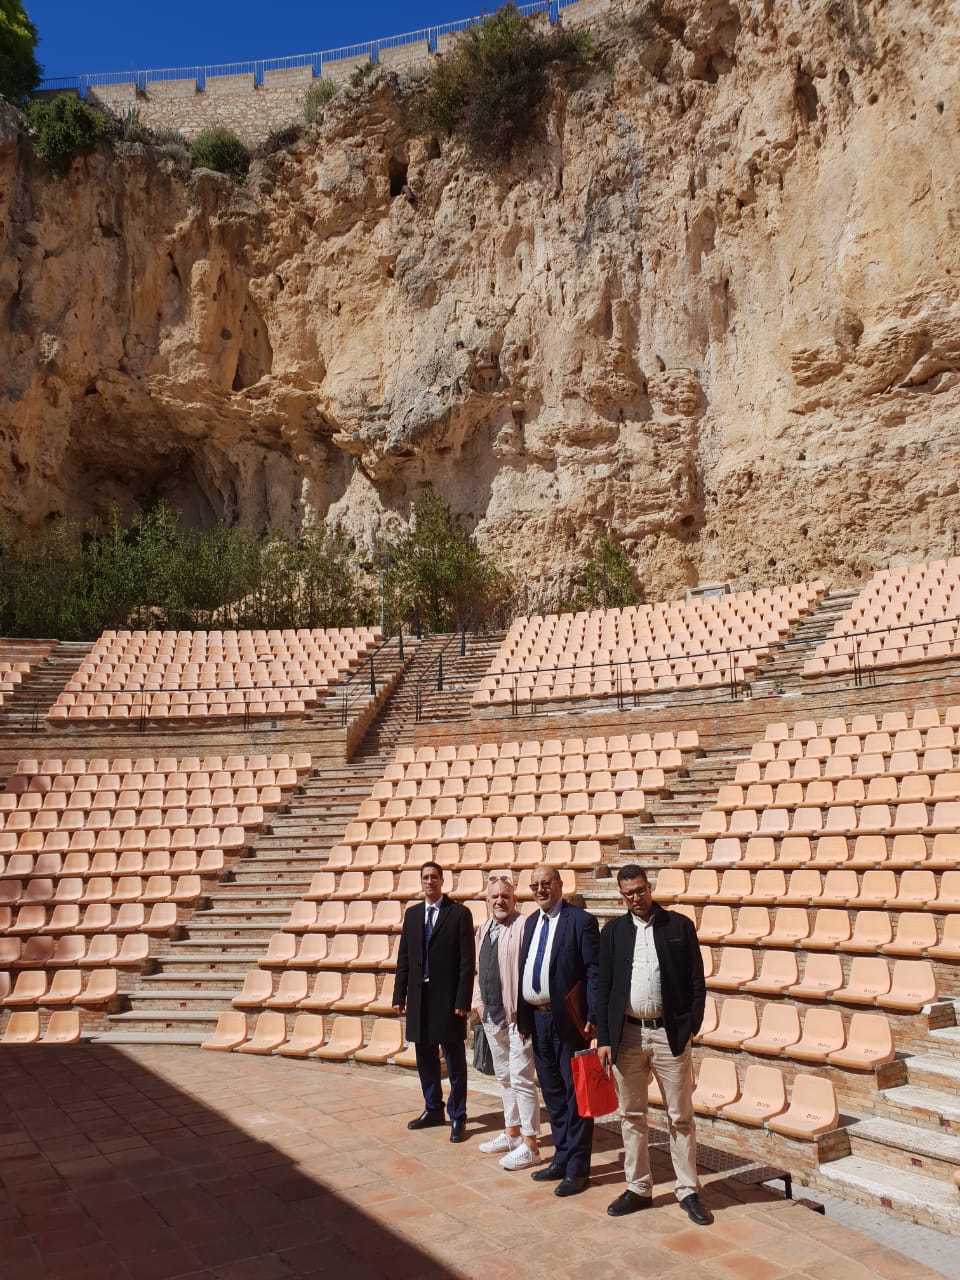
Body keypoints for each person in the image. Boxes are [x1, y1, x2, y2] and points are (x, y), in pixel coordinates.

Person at [596, 864, 712, 1225]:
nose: (636, 898)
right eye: (629, 893)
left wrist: (691, 1025)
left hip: (669, 1034)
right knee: (631, 1115)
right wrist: (604, 1037)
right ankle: (639, 1187)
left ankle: (688, 1189)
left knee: (680, 1116)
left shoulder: (678, 926)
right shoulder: (612, 932)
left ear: (650, 887)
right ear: (621, 896)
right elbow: (604, 988)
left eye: (641, 890)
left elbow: (696, 981)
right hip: (627, 1034)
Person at [516, 864, 599, 1197]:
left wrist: (592, 1014)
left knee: (575, 1095)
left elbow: (593, 971)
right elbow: (525, 969)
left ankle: (578, 1168)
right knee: (552, 1093)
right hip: (538, 1020)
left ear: (560, 885)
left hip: (568, 1021)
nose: (540, 889)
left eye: (546, 883)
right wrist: (524, 1019)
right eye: (535, 885)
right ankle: (562, 1158)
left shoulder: (581, 921)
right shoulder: (531, 923)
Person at [393, 860, 475, 1143]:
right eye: (425, 877)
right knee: (425, 1059)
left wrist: (463, 999)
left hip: (448, 1000)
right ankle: (433, 1109)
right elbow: (404, 957)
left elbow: (467, 962)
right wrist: (399, 994)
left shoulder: (459, 914)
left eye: (434, 877)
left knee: (454, 1061)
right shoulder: (413, 915)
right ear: (421, 881)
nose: (430, 881)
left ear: (442, 880)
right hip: (419, 997)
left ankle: (458, 1115)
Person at [473, 870, 542, 1170]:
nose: (500, 900)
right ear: (487, 901)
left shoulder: (524, 925)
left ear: (514, 899)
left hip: (517, 1016)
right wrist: (478, 1002)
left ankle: (531, 1144)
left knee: (522, 1077)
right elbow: (480, 969)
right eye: (495, 897)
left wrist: (525, 1013)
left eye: (505, 896)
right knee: (504, 1077)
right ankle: (512, 1133)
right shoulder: (484, 928)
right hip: (491, 1014)